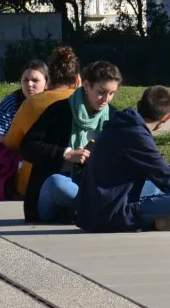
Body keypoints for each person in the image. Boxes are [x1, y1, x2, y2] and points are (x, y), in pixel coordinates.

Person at [76, 85, 170, 237]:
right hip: (111, 216)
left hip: (93, 209)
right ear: (167, 118)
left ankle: (164, 220)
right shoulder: (136, 135)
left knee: (156, 188)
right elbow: (167, 177)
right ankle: (155, 220)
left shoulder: (121, 123)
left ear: (138, 104)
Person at [19, 60, 121, 224]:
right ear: (86, 86)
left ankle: (97, 207)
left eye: (112, 93)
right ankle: (102, 209)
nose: (106, 99)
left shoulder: (114, 117)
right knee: (57, 183)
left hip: (93, 188)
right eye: (101, 92)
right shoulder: (59, 111)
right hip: (56, 193)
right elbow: (27, 147)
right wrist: (66, 154)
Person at [3, 46, 80, 199]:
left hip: (34, 185)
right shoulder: (85, 104)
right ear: (78, 79)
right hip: (78, 179)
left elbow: (11, 142)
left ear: (49, 78)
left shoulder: (31, 103)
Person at [0, 59, 49, 141]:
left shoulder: (54, 102)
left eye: (35, 80)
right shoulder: (10, 103)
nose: (29, 84)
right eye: (25, 80)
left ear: (46, 84)